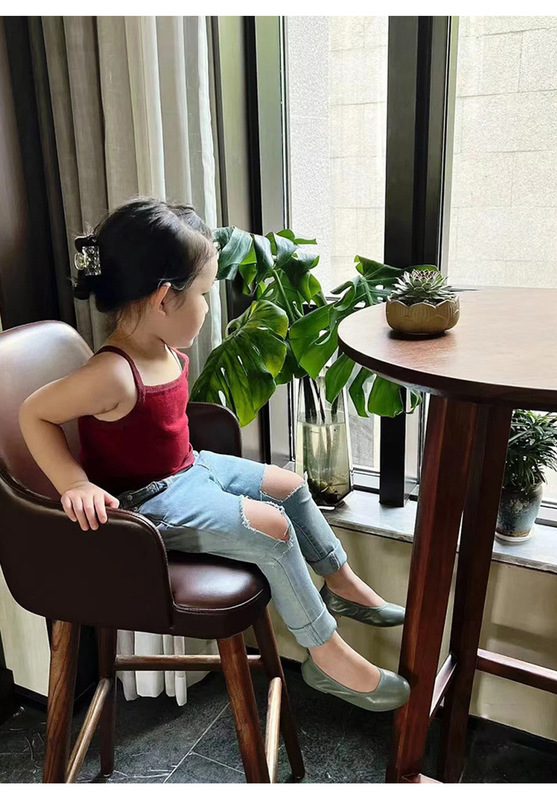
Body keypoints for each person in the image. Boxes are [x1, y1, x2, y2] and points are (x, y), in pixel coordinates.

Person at [19, 197, 410, 712]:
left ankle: (340, 581)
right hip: (148, 504)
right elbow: (34, 413)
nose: (209, 307)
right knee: (273, 529)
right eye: (204, 294)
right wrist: (74, 483)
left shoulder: (159, 347)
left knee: (291, 486)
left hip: (188, 468)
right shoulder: (112, 373)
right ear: (165, 298)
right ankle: (326, 654)